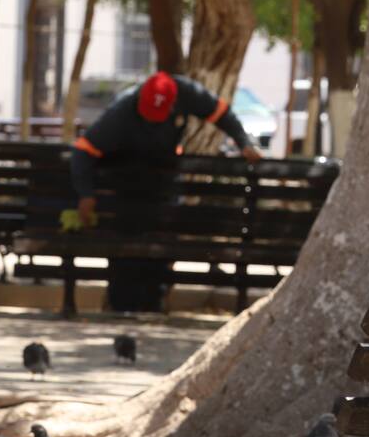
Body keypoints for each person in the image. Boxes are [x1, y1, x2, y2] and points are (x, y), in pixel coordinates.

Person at [70, 71, 263, 311]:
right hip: (128, 189)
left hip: (165, 187)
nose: (153, 120)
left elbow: (222, 114)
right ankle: (120, 305)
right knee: (127, 256)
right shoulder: (121, 112)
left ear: (173, 103)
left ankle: (155, 304)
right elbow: (84, 150)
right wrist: (86, 194)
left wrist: (243, 141)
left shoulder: (186, 93)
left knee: (160, 251)